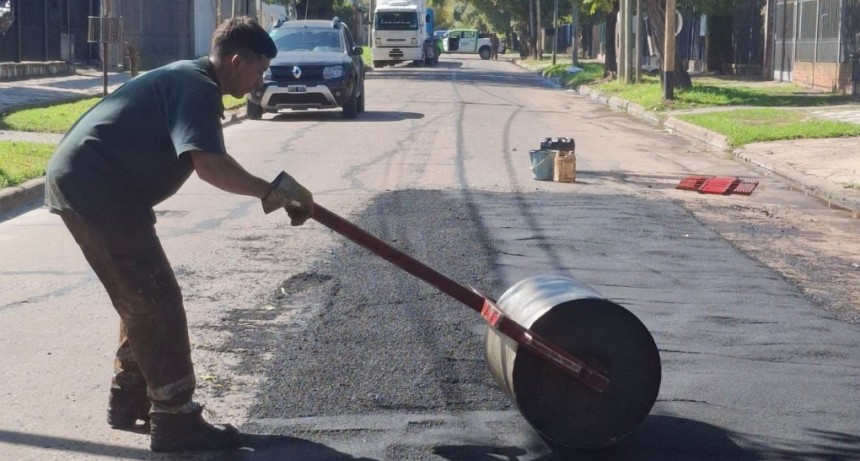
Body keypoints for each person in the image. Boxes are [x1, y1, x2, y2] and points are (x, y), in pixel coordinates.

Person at [44, 16, 313, 453]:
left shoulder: (194, 80)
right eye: (259, 69)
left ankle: (129, 395)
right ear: (236, 60)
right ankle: (174, 418)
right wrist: (274, 193)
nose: (261, 78)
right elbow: (210, 166)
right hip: (96, 187)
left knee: (140, 296)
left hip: (100, 187)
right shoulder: (198, 87)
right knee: (155, 298)